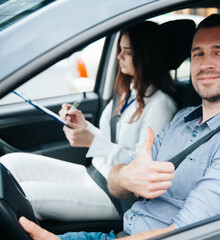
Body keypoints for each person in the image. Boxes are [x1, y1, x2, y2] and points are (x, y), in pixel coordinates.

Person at [19, 14, 220, 240]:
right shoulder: (182, 118)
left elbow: (185, 233)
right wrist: (126, 177)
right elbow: (117, 180)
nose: (206, 63)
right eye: (198, 53)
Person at [1, 21, 177, 221]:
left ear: (146, 56)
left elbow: (138, 167)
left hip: (116, 194)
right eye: (119, 50)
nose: (119, 56)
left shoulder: (161, 105)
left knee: (25, 196)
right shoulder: (130, 92)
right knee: (11, 163)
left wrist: (92, 142)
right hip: (94, 173)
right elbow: (110, 140)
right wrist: (83, 126)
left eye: (126, 52)